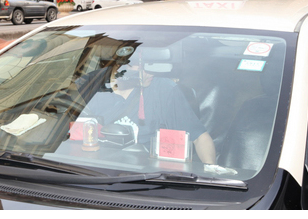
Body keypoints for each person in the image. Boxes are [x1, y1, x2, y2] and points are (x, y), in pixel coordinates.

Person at [85, 57, 216, 164]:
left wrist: (211, 174)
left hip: (149, 177)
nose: (150, 72)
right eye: (141, 66)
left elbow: (200, 138)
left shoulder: (163, 90)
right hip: (98, 171)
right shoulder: (93, 90)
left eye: (151, 66)